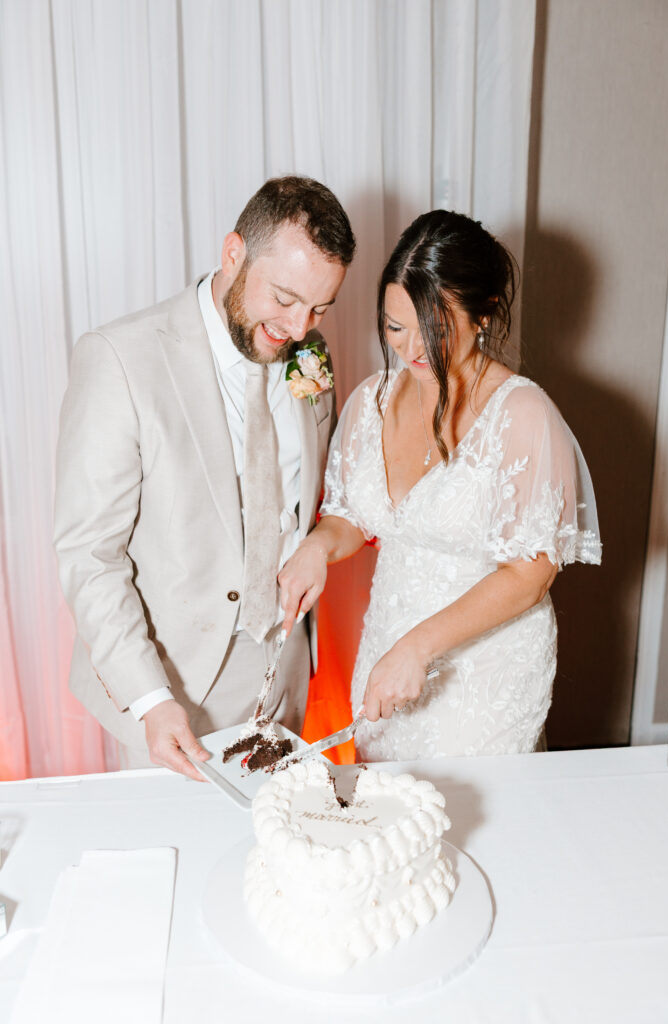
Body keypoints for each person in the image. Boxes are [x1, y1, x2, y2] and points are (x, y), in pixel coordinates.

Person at [54, 176, 355, 779]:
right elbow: (90, 555)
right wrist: (149, 700)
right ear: (233, 254)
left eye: (319, 307)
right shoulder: (119, 359)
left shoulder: (310, 355)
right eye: (285, 298)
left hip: (284, 671)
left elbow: (313, 499)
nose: (300, 329)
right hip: (169, 687)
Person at [279, 210, 601, 761]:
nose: (412, 350)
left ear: (485, 313)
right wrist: (316, 547)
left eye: (435, 327)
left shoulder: (523, 414)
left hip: (483, 675)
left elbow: (530, 575)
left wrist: (421, 646)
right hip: (388, 651)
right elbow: (351, 517)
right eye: (395, 327)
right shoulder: (371, 401)